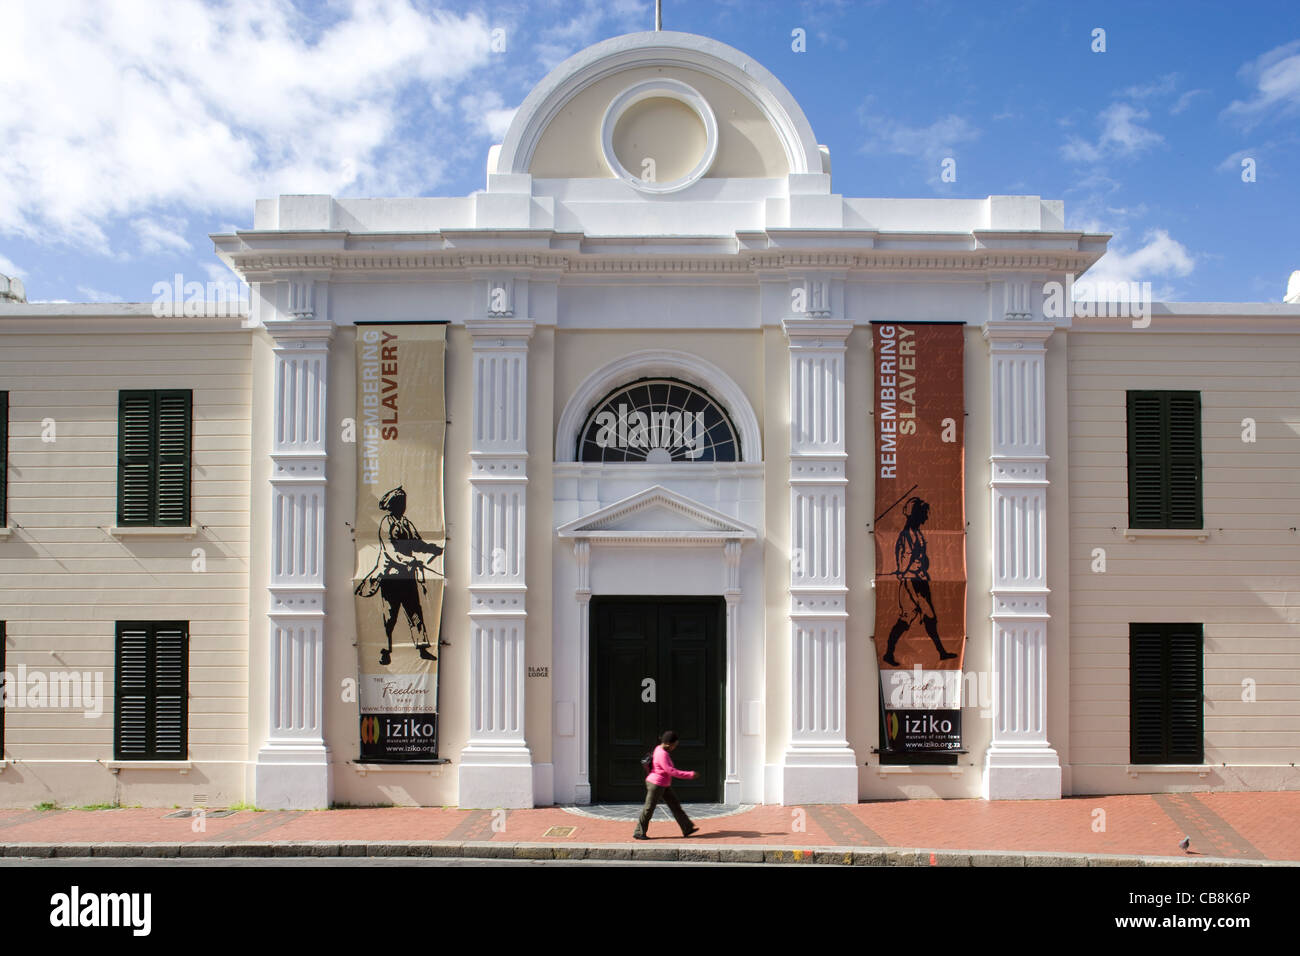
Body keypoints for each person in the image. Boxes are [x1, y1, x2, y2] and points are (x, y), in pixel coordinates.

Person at [355, 485, 443, 666]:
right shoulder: (386, 524)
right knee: (389, 616)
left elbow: (417, 543)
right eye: (400, 503)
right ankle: (384, 651)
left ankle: (422, 648)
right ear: (394, 505)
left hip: (407, 577)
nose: (403, 506)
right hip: (390, 577)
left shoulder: (406, 523)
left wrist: (432, 548)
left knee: (415, 612)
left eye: (404, 503)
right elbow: (391, 551)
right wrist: (409, 561)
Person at [883, 496, 958, 667]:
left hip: (917, 579)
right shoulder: (910, 534)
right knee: (928, 616)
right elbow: (907, 556)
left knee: (907, 619)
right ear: (915, 514)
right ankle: (941, 652)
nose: (926, 516)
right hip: (914, 581)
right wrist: (903, 571)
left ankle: (889, 653)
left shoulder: (914, 532)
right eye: (923, 513)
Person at [633, 730, 700, 840]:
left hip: (663, 784)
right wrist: (690, 775)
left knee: (675, 806)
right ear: (669, 743)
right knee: (649, 808)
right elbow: (671, 771)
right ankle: (639, 832)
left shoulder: (658, 748)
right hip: (656, 784)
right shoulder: (662, 754)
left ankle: (687, 828)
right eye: (674, 745)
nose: (675, 747)